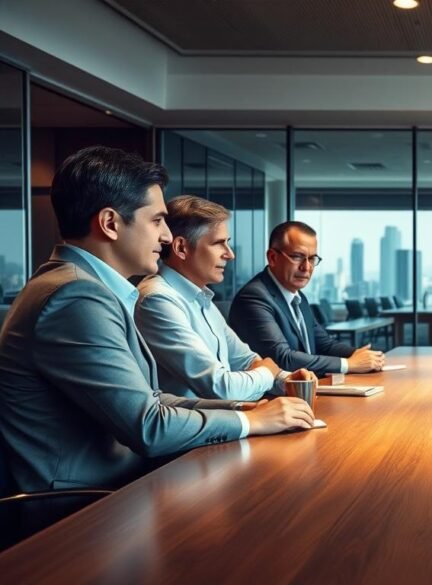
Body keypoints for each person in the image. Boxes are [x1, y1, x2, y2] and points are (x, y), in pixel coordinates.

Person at [0, 146, 314, 496]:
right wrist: (250, 421)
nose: (166, 236)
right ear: (109, 223)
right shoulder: (75, 297)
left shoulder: (86, 287)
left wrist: (243, 408)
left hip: (116, 485)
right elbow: (149, 426)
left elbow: (152, 399)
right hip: (79, 507)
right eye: (156, 220)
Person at [136, 195, 309, 401]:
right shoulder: (157, 299)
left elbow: (245, 359)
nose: (230, 254)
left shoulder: (202, 298)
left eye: (228, 243)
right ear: (181, 248)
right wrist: (268, 373)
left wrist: (286, 379)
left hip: (228, 421)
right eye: (219, 243)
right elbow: (220, 388)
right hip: (198, 429)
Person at [229, 221, 385, 377]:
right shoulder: (254, 297)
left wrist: (361, 355)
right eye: (297, 257)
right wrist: (349, 364)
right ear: (273, 257)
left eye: (312, 259)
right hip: (274, 397)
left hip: (308, 388)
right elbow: (282, 359)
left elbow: (324, 344)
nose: (306, 267)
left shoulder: (298, 297)